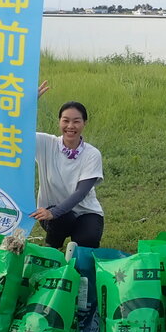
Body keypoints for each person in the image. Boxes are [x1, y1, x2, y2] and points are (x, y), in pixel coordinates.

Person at [31, 87, 105, 249]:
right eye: (65, 120)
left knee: (88, 239)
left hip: (85, 211)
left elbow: (81, 192)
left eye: (76, 121)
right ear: (59, 122)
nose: (70, 126)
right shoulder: (45, 143)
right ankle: (52, 246)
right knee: (62, 220)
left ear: (84, 123)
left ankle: (76, 250)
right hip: (53, 214)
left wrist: (54, 212)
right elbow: (16, 131)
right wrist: (29, 103)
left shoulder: (92, 154)